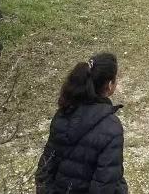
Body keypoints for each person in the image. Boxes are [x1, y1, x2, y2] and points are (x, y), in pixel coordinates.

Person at [35, 53, 127, 194]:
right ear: (110, 85)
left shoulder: (63, 114)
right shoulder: (111, 127)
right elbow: (103, 185)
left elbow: (46, 167)